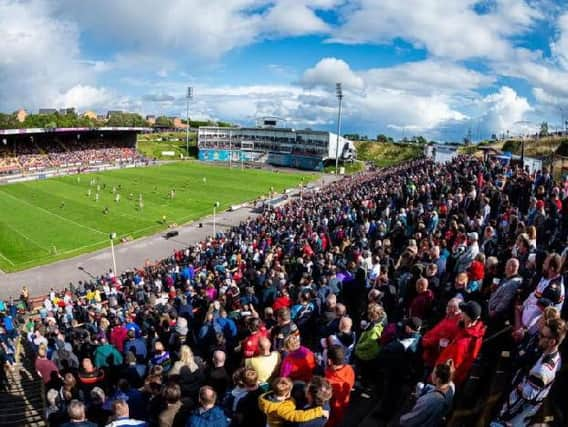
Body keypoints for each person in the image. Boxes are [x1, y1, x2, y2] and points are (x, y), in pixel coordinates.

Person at [492, 318, 566, 426]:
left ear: (552, 342)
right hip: (525, 413)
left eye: (542, 335)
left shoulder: (541, 371)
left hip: (513, 416)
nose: (538, 337)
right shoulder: (557, 357)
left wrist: (503, 417)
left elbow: (526, 396)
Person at [435, 301, 486, 385]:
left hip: (446, 379)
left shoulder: (473, 338)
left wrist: (448, 379)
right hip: (440, 371)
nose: (461, 313)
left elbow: (465, 363)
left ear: (469, 318)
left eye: (463, 312)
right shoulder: (462, 328)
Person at [399, 363, 455, 427]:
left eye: (433, 373)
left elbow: (410, 421)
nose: (431, 374)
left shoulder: (429, 400)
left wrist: (401, 419)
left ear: (438, 380)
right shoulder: (450, 390)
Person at [258, 377, 328, 427]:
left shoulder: (267, 397)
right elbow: (298, 416)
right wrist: (318, 412)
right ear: (287, 394)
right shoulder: (282, 409)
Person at [324, 345, 355, 427]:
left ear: (329, 361)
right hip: (343, 404)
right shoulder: (349, 369)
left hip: (331, 410)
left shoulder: (328, 382)